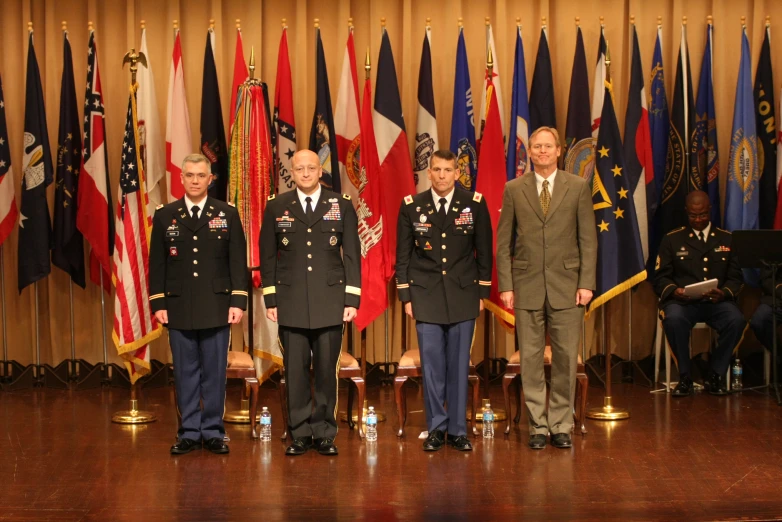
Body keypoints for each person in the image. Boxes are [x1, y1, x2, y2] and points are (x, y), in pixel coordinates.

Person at [495, 127, 597, 450]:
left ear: (558, 150)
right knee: (531, 358)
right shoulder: (514, 189)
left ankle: (561, 424)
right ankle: (538, 425)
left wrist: (586, 284)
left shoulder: (578, 187)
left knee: (566, 358)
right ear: (532, 152)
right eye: (536, 146)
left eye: (547, 146)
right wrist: (507, 285)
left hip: (568, 287)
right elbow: (503, 243)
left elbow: (588, 241)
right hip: (525, 286)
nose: (541, 151)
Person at [260, 149, 361, 456]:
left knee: (327, 370)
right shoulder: (277, 206)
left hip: (330, 300)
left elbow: (352, 255)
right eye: (299, 169)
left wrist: (351, 298)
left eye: (310, 168)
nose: (304, 173)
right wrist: (271, 297)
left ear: (321, 171)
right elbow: (268, 256)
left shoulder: (340, 205)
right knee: (296, 371)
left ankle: (325, 432)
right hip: (290, 301)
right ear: (292, 172)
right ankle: (300, 432)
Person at [149, 153, 248, 455]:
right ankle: (189, 431)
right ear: (181, 178)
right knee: (185, 371)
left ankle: (214, 431)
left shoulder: (226, 213)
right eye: (189, 175)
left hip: (217, 305)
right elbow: (158, 264)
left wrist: (238, 301)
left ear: (210, 178)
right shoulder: (166, 215)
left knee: (215, 372)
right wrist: (158, 302)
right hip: (178, 305)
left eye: (200, 175)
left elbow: (236, 262)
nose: (194, 180)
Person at [395, 149, 493, 452]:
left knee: (458, 366)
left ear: (456, 173)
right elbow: (403, 257)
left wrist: (482, 294)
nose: (441, 176)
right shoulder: (412, 206)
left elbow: (484, 254)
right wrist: (406, 296)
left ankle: (458, 430)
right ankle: (436, 428)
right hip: (425, 296)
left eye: (447, 170)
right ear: (428, 172)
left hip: (464, 294)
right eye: (436, 169)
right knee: (433, 367)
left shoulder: (474, 204)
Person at [654, 190, 746, 397]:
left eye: (703, 214)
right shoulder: (672, 240)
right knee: (674, 319)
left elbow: (735, 278)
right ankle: (685, 377)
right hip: (683, 303)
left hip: (716, 302)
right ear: (686, 212)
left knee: (736, 320)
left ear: (710, 211)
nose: (698, 219)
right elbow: (660, 277)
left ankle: (715, 374)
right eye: (693, 215)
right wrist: (675, 291)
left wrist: (724, 293)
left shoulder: (727, 239)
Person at [749, 268, 782, 370]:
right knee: (759, 321)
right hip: (777, 297)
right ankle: (780, 357)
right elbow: (766, 279)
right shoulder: (774, 252)